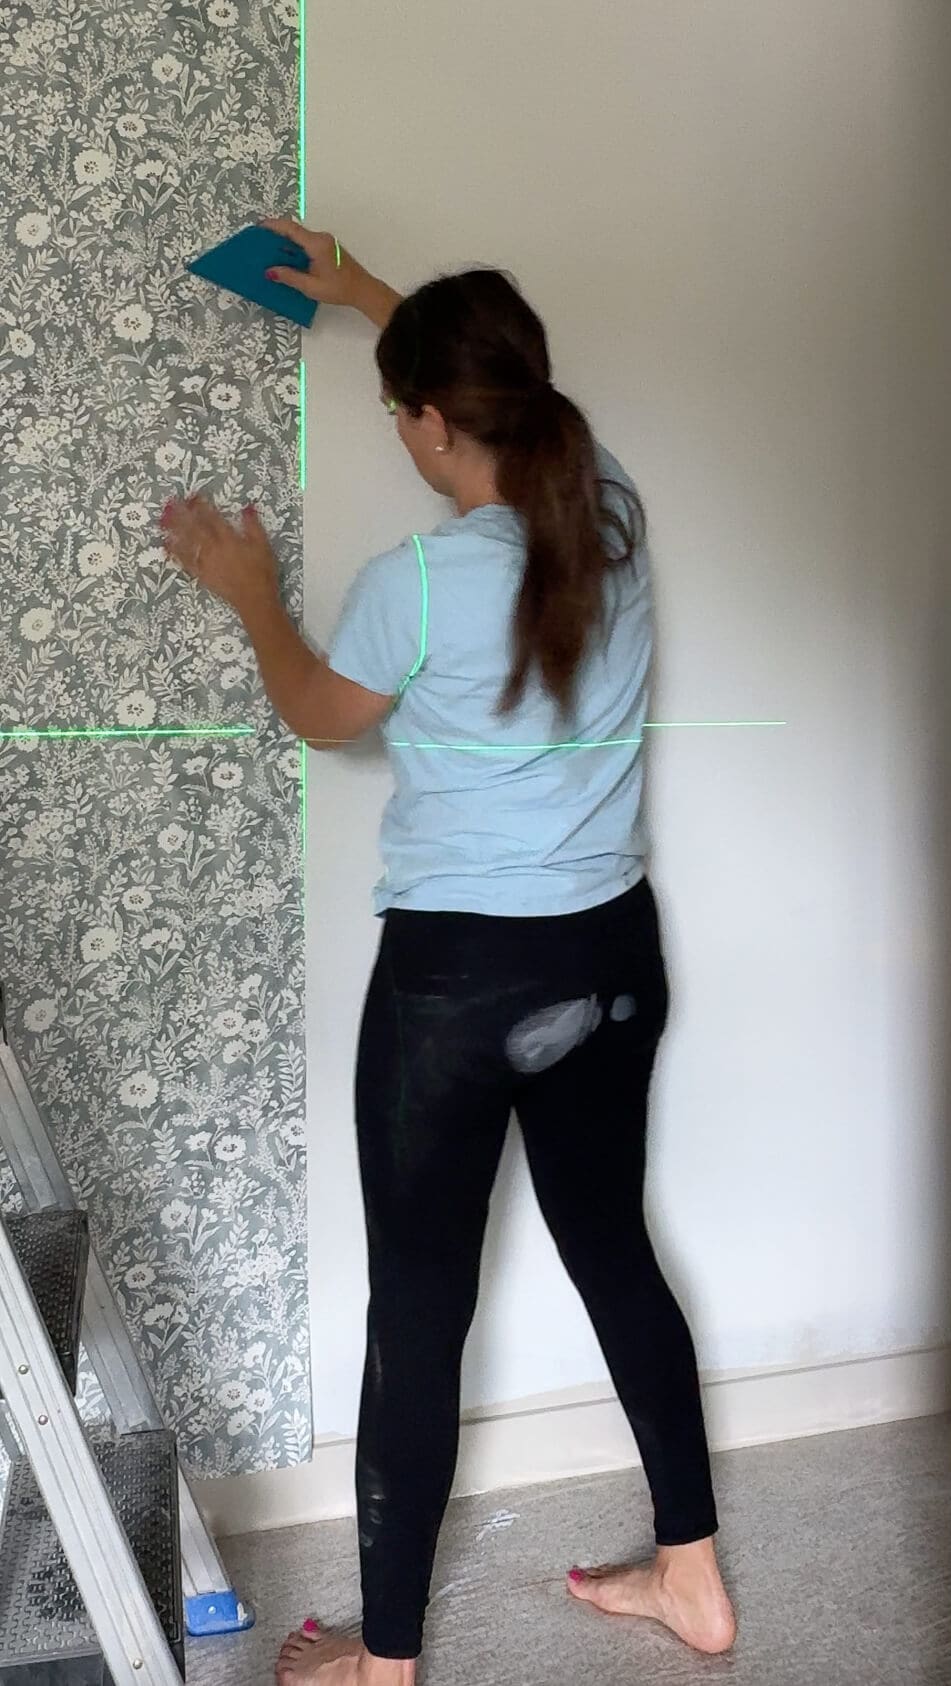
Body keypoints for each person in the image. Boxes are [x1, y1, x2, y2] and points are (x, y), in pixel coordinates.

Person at [160, 217, 737, 1686]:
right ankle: (694, 1583)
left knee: (420, 1304)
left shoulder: (412, 583)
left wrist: (251, 597)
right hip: (610, 960)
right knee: (615, 1249)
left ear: (427, 425)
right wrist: (361, 294)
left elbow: (321, 714)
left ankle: (386, 1660)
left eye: (400, 411)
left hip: (460, 986)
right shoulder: (608, 506)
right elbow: (494, 385)